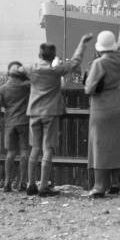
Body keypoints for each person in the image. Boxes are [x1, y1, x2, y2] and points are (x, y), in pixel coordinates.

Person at [25, 33, 93, 196]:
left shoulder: (31, 69)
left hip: (34, 112)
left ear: (39, 54)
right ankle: (43, 187)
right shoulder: (56, 71)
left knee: (34, 148)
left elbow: (15, 70)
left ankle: (31, 184)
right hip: (51, 112)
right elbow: (75, 62)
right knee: (47, 148)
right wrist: (82, 43)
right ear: (53, 56)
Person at [84, 19, 120, 197]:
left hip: (100, 108)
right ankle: (116, 183)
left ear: (99, 47)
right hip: (117, 105)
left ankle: (99, 186)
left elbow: (89, 89)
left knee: (100, 146)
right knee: (115, 144)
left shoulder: (98, 64)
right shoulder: (119, 57)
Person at [0, 61, 31, 192]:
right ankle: (22, 183)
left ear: (8, 73)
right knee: (25, 152)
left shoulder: (2, 89)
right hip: (24, 122)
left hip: (9, 124)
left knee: (11, 153)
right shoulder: (27, 86)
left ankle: (7, 182)